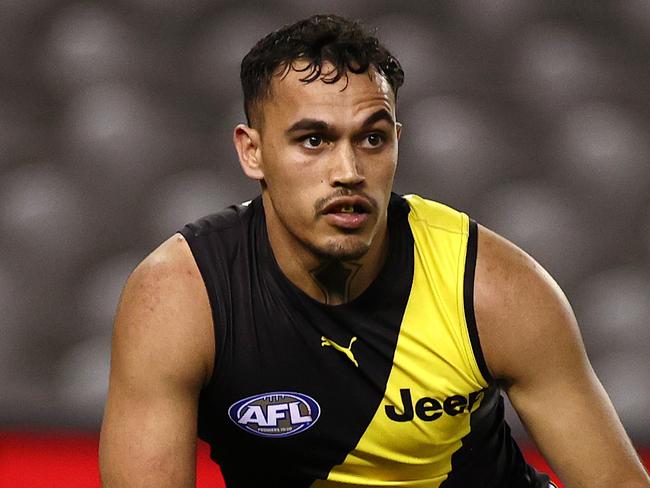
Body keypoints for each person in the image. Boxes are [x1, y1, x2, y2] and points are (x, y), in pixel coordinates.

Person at [98, 14, 650, 488]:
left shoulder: (492, 288)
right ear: (253, 152)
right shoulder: (178, 298)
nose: (349, 172)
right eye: (313, 140)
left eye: (372, 138)